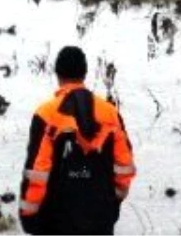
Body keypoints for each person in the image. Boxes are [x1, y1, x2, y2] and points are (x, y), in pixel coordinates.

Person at [19, 46, 136, 236]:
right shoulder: (111, 113)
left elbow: (37, 172)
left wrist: (29, 215)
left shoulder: (46, 114)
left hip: (55, 220)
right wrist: (113, 201)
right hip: (100, 219)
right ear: (85, 73)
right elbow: (125, 167)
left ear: (57, 74)